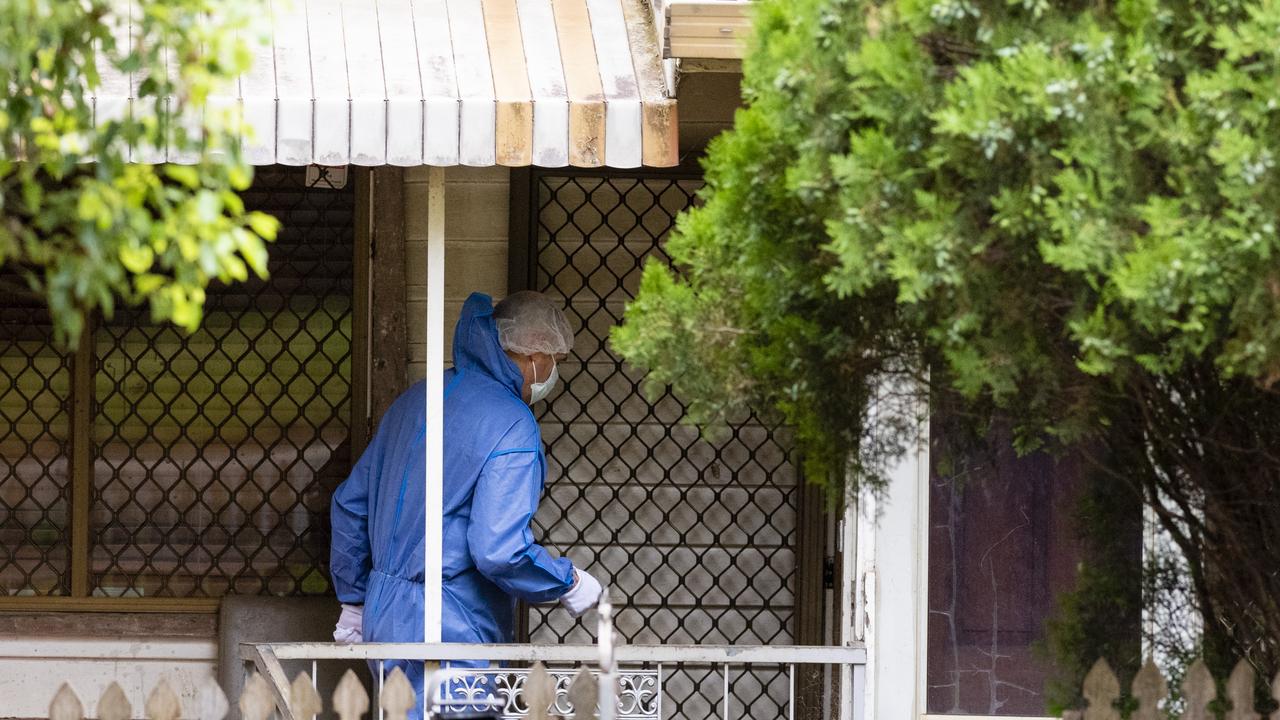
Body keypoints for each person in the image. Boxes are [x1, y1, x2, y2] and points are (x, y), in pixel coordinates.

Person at [328, 290, 603, 705]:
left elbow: (351, 505)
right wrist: (567, 581)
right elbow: (499, 549)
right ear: (534, 355)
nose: (553, 372)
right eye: (556, 361)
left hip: (382, 615)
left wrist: (353, 600)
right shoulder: (513, 425)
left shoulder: (416, 401)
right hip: (451, 622)